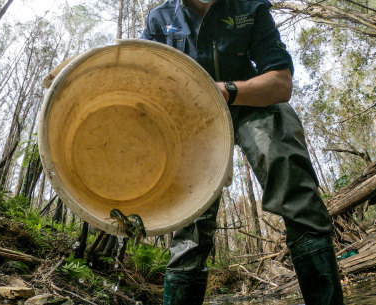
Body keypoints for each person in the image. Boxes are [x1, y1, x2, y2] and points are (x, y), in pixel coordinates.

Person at [141, 0, 344, 304]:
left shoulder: (250, 7)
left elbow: (280, 81)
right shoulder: (160, 18)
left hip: (250, 104)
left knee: (284, 156)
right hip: (193, 122)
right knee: (190, 224)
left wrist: (225, 91)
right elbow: (140, 83)